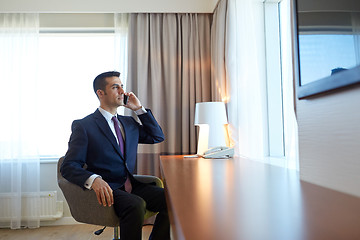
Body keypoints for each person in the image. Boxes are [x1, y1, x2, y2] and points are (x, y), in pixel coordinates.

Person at [60, 71, 170, 240]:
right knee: (136, 204)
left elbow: (157, 136)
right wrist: (94, 179)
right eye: (115, 87)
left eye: (122, 86)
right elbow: (68, 166)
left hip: (131, 185)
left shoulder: (129, 123)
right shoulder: (84, 126)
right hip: (108, 189)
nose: (122, 91)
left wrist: (139, 109)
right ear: (100, 93)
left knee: (171, 199)